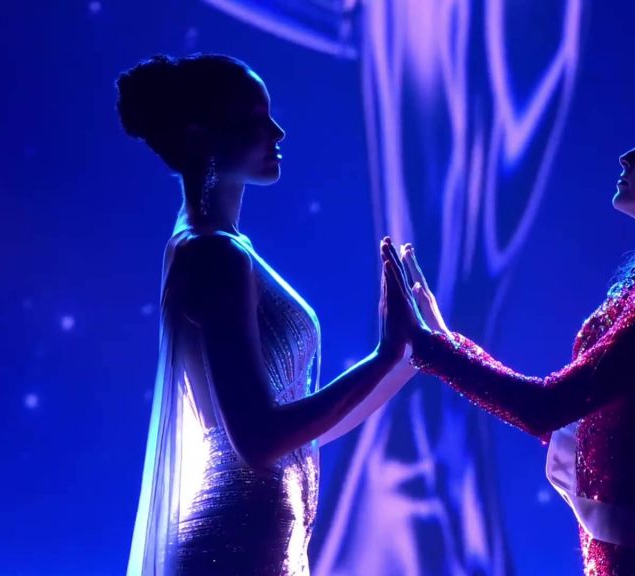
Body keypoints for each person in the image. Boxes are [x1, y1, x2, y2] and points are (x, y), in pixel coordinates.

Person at [395, 93, 635, 575]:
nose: (626, 157)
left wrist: (430, 348)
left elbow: (547, 407)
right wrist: (444, 340)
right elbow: (575, 419)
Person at [117, 53, 417, 576]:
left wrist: (408, 356)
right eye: (256, 119)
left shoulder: (223, 250)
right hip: (235, 548)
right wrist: (386, 355)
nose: (277, 132)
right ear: (201, 135)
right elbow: (259, 440)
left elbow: (300, 437)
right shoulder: (215, 254)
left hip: (251, 543)